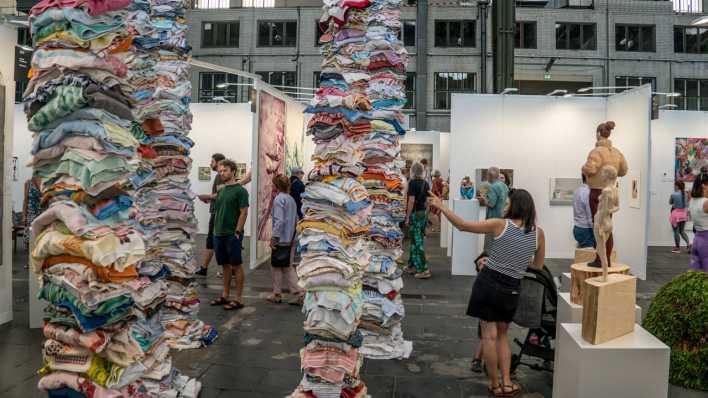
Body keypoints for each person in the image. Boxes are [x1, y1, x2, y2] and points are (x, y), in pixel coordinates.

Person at [430, 189, 545, 397]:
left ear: (516, 205)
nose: (504, 206)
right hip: (512, 288)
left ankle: (494, 384)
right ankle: (507, 383)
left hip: (489, 283)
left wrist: (442, 206)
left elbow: (463, 226)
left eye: (507, 203)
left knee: (488, 336)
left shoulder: (500, 224)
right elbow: (537, 265)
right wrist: (516, 262)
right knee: (502, 336)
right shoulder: (538, 233)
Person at [582, 121, 628, 268]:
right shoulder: (617, 152)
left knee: (598, 226)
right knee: (608, 226)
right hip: (612, 190)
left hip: (597, 191)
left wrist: (583, 168)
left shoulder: (596, 152)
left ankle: (601, 259)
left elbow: (590, 169)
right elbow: (623, 171)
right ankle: (605, 258)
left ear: (597, 134)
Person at [209, 159, 249, 310]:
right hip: (218, 233)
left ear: (233, 171)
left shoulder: (240, 190)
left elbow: (243, 212)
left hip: (232, 234)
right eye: (220, 171)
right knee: (224, 265)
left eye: (225, 170)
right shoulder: (221, 190)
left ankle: (238, 298)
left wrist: (237, 231)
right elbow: (220, 208)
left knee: (236, 266)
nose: (222, 173)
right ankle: (225, 295)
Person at [268, 174, 304, 304]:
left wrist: (274, 237)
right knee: (278, 266)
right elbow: (296, 219)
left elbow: (279, 220)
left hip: (282, 238)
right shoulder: (291, 199)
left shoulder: (279, 199)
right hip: (291, 237)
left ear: (276, 186)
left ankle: (300, 292)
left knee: (284, 266)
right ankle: (276, 293)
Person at [196, 153, 225, 276]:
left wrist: (207, 196)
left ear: (218, 163)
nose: (210, 164)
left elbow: (221, 194)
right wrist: (209, 199)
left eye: (212, 161)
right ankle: (204, 268)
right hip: (217, 211)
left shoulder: (219, 176)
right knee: (212, 241)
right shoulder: (220, 176)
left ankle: (205, 268)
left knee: (214, 241)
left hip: (217, 213)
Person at [404, 162, 432, 279]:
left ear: (412, 171)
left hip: (415, 214)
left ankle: (424, 269)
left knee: (418, 242)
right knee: (415, 240)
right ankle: (411, 265)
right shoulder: (425, 183)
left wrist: (407, 216)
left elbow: (411, 201)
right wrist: (426, 215)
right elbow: (428, 201)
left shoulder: (412, 183)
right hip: (422, 214)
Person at [479, 167, 510, 250]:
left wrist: (483, 199)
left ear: (489, 175)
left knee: (489, 246)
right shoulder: (504, 186)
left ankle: (488, 262)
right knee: (499, 246)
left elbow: (491, 204)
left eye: (487, 175)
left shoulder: (493, 187)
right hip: (503, 219)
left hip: (493, 220)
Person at [471, 251, 489, 373]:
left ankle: (478, 359)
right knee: (486, 336)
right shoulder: (481, 280)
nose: (483, 263)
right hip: (485, 309)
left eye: (485, 261)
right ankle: (478, 359)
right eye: (480, 263)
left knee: (491, 336)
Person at [689, 174, 708, 272]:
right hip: (706, 241)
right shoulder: (705, 203)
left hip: (697, 239)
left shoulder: (692, 200)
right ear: (704, 186)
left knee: (694, 273)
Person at [573, 174, 595, 248]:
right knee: (589, 256)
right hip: (586, 230)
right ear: (589, 178)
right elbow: (590, 215)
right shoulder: (588, 192)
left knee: (583, 254)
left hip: (577, 228)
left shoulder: (577, 190)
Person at [670, 181, 691, 254]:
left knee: (676, 231)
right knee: (682, 231)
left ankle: (677, 248)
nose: (674, 187)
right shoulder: (686, 194)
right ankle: (688, 245)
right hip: (683, 213)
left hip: (675, 214)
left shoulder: (673, 194)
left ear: (677, 186)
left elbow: (670, 202)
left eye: (675, 185)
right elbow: (687, 204)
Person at [23, 176, 42, 250]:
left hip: (42, 213)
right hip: (30, 213)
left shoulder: (45, 181)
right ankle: (29, 259)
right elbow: (25, 200)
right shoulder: (28, 183)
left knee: (40, 237)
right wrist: (24, 216)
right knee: (29, 237)